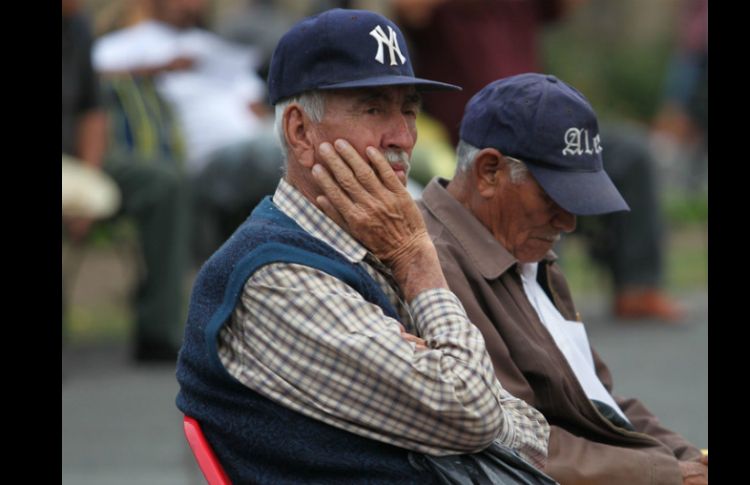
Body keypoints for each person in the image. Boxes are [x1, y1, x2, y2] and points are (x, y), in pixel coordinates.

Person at [176, 9, 550, 484]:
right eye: (374, 109)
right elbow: (474, 410)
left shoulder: (364, 245)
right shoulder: (275, 278)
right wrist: (417, 260)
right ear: (300, 132)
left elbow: (534, 436)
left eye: (409, 109)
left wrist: (459, 392)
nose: (403, 138)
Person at [418, 73, 708, 484]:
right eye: (554, 197)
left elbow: (599, 401)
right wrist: (667, 474)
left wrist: (687, 458)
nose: (569, 222)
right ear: (489, 172)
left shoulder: (530, 256)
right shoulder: (433, 267)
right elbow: (512, 440)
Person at [396, 0, 684, 322]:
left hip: (545, 127)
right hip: (469, 137)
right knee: (535, 189)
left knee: (633, 153)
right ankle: (541, 303)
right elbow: (409, 9)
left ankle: (638, 286)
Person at [92, 0, 285, 263]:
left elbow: (252, 94)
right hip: (203, 158)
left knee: (304, 142)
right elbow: (89, 80)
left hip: (255, 142)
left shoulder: (211, 45)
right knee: (285, 151)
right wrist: (161, 68)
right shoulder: (127, 44)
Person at [63, 0, 189, 362]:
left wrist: (86, 186)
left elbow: (91, 112)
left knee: (164, 183)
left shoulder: (77, 29)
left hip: (80, 159)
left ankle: (158, 328)